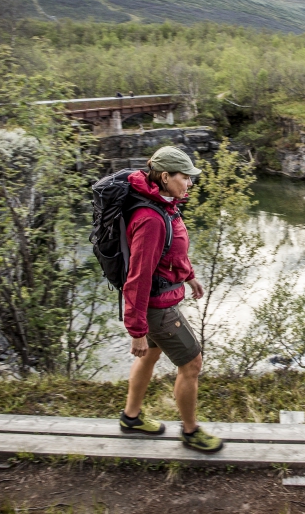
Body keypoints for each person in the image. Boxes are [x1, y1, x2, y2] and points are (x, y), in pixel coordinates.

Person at [118, 146, 223, 453]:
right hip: (158, 308)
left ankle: (131, 417)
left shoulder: (165, 204)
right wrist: (136, 330)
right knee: (192, 363)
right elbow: (137, 278)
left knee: (149, 356)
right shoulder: (150, 218)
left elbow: (172, 249)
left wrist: (188, 275)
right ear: (165, 177)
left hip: (161, 302)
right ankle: (191, 432)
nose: (189, 183)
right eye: (185, 177)